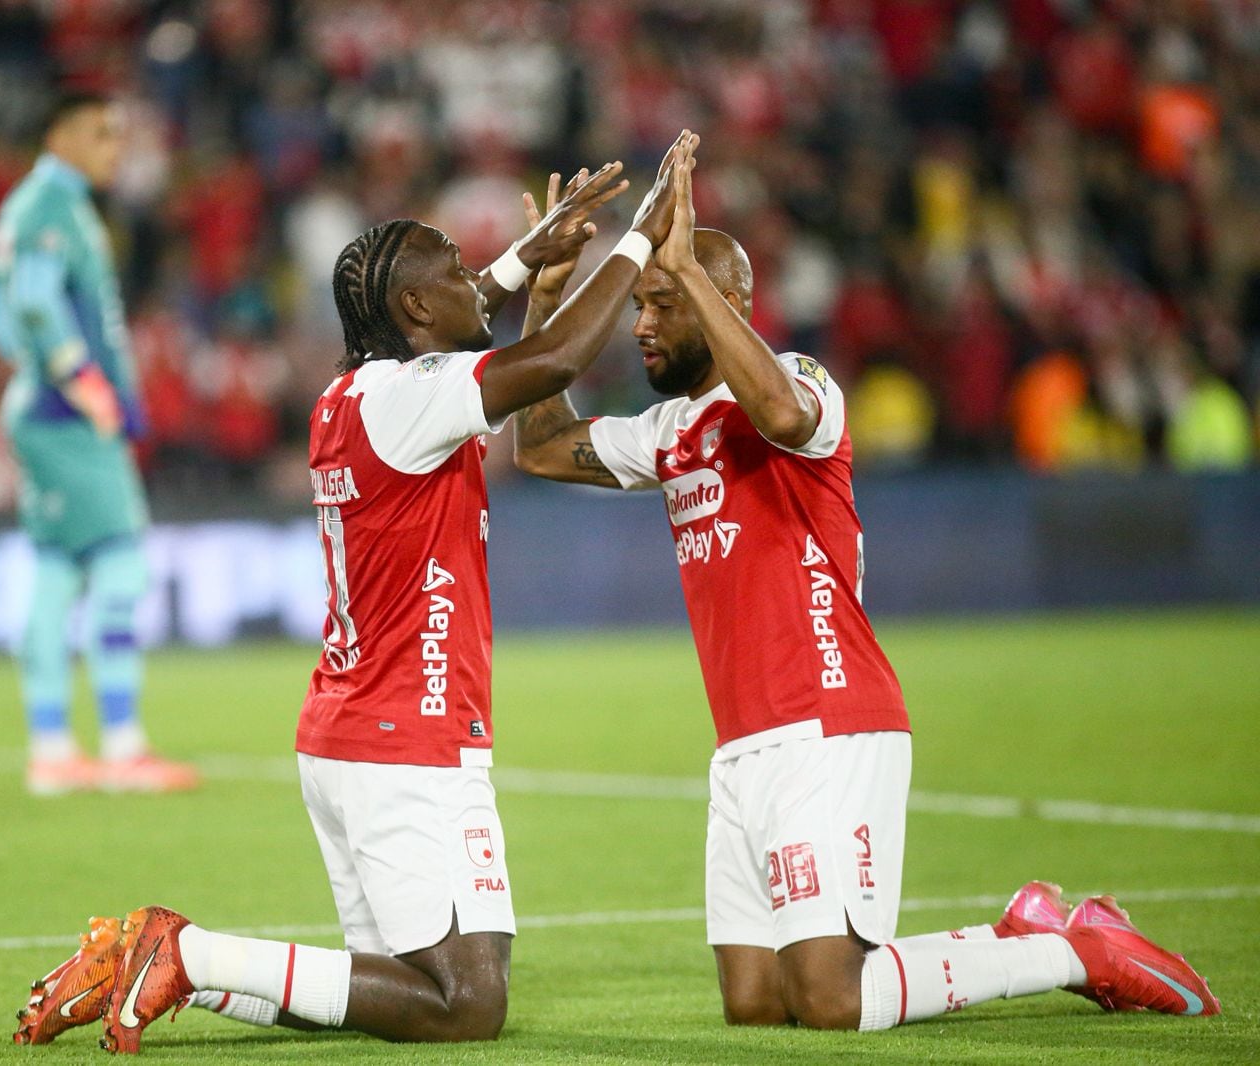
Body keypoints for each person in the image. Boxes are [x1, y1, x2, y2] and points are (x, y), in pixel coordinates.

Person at [9, 132, 701, 1053]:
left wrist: (521, 262)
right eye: (454, 270)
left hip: (347, 736)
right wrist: (641, 237)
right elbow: (559, 360)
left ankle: (165, 970)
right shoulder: (415, 397)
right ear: (415, 306)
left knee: (394, 997)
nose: (475, 280)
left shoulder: (351, 397)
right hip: (408, 738)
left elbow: (463, 323)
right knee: (466, 1004)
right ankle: (187, 952)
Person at [511, 152, 1220, 1029]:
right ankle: (1021, 931)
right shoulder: (668, 431)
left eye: (660, 303)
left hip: (829, 723)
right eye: (639, 306)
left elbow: (779, 413)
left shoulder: (806, 383)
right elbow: (539, 447)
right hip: (743, 745)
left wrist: (683, 261)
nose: (640, 324)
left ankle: (1079, 952)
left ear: (723, 302)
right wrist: (546, 299)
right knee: (757, 1005)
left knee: (832, 999)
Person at [0, 90, 198, 796]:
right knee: (121, 566)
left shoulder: (37, 207)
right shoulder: (50, 206)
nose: (114, 147)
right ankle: (122, 747)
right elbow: (32, 301)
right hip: (67, 419)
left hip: (43, 412)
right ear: (60, 135)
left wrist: (32, 366)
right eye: (101, 133)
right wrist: (77, 378)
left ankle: (52, 748)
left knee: (57, 570)